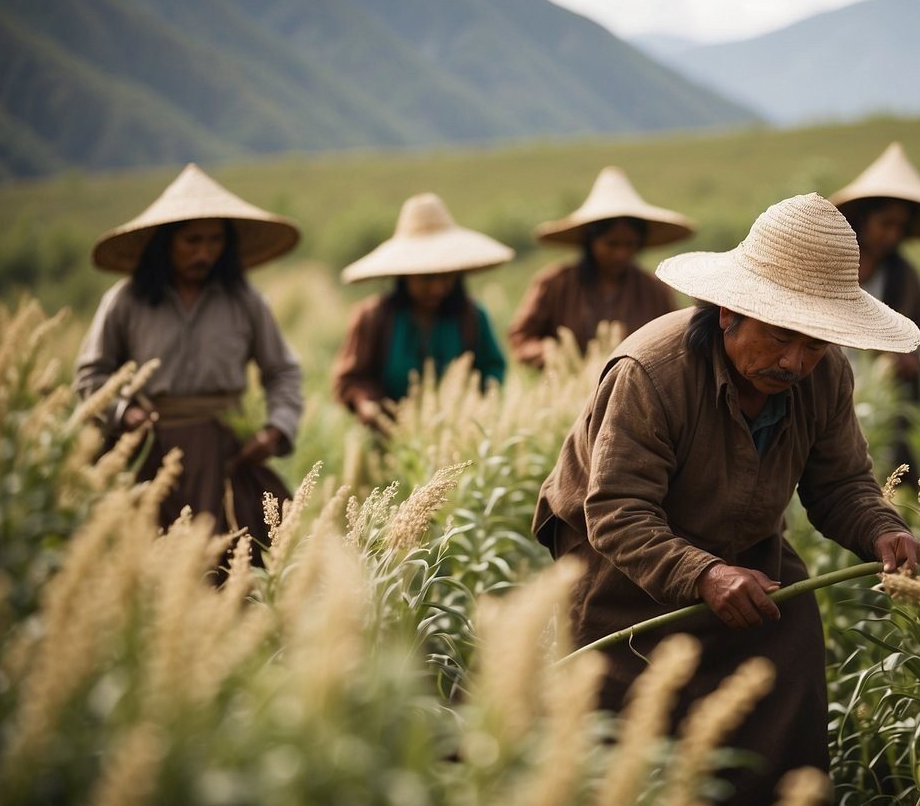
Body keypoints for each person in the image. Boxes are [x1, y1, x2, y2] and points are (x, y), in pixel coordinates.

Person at [534, 193, 920, 806]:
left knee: (783, 676)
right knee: (617, 739)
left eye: (815, 342)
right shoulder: (653, 372)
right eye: (779, 337)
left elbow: (840, 484)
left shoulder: (824, 376)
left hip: (747, 557)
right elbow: (617, 511)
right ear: (727, 314)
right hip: (622, 570)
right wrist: (704, 573)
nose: (795, 361)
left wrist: (881, 529)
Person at [74, 163, 303, 558]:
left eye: (215, 241)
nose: (205, 252)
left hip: (226, 453)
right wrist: (124, 413)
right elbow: (91, 375)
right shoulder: (126, 301)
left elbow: (282, 371)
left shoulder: (244, 301)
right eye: (192, 240)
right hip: (151, 453)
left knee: (234, 564)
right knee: (147, 561)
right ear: (165, 243)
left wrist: (274, 430)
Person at [831, 141, 920, 485]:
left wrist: (910, 356)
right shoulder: (834, 262)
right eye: (884, 223)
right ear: (863, 218)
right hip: (831, 385)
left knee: (881, 475)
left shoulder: (903, 275)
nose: (892, 234)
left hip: (883, 401)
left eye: (900, 227)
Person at [332, 192, 512, 427]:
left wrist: (477, 406)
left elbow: (492, 369)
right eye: (426, 278)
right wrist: (367, 405)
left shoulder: (472, 316)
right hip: (388, 439)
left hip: (457, 436)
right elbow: (350, 379)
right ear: (404, 275)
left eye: (446, 277)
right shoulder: (373, 317)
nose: (437, 288)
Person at [507, 166, 693, 367]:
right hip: (566, 388)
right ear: (590, 242)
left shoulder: (653, 289)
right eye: (611, 244)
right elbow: (521, 337)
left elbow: (675, 342)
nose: (621, 253)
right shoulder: (555, 283)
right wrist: (554, 355)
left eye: (630, 244)